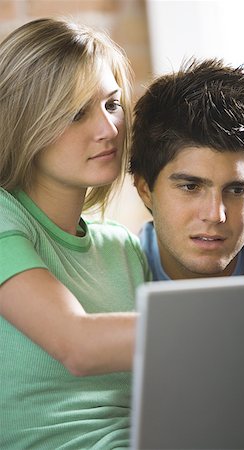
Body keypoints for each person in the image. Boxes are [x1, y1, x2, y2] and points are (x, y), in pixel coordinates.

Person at [0, 18, 150, 449]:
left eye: (112, 104)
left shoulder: (121, 246)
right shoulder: (6, 218)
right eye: (75, 112)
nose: (108, 129)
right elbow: (77, 344)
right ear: (25, 121)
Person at [130, 58, 244, 281]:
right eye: (191, 187)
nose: (215, 215)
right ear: (145, 189)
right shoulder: (124, 270)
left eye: (237, 190)